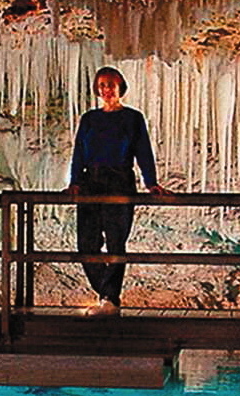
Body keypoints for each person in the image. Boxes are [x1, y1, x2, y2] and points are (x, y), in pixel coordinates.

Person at [66, 66, 172, 317]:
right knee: (86, 244)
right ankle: (106, 292)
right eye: (102, 84)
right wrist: (74, 181)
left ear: (121, 87)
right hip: (90, 180)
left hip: (119, 180)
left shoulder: (132, 118)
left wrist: (151, 181)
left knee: (116, 241)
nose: (107, 89)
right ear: (97, 89)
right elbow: (79, 152)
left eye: (111, 84)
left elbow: (142, 150)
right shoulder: (89, 119)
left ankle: (110, 299)